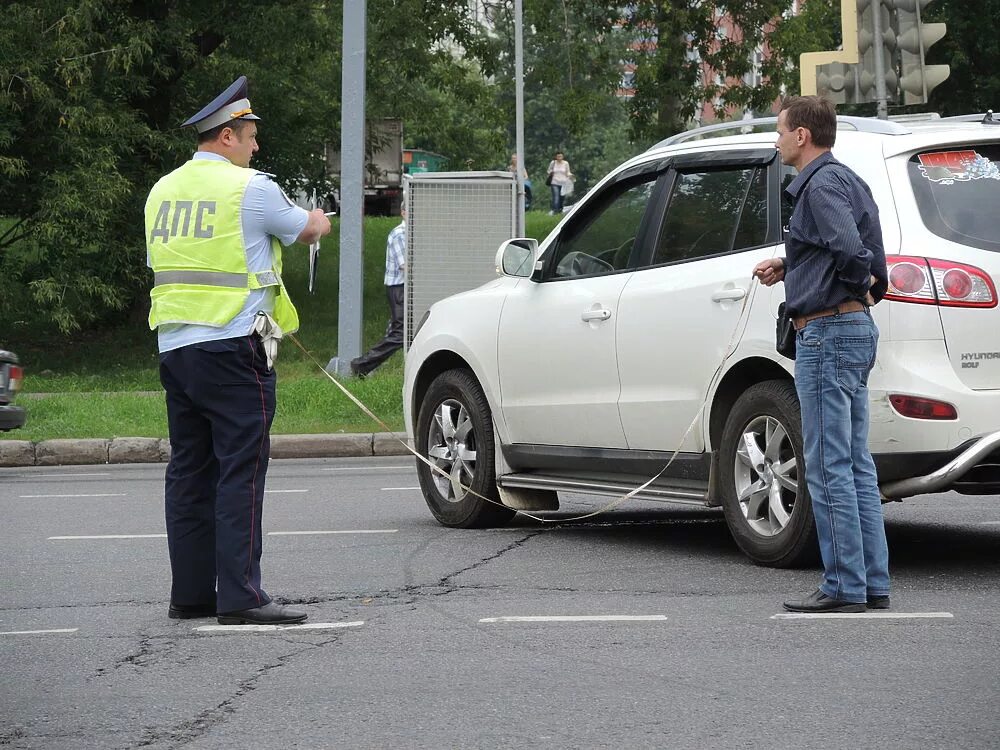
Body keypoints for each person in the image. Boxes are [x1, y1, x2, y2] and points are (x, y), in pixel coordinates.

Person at [145, 76, 331, 625]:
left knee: (189, 471)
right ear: (226, 136)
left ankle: (193, 594)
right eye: (249, 136)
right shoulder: (249, 189)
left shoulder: (162, 190)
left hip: (176, 347)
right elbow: (305, 228)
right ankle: (243, 596)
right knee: (241, 471)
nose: (255, 147)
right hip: (232, 347)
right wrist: (319, 221)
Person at [752, 95, 890, 614]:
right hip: (849, 328)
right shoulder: (848, 179)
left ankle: (842, 586)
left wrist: (854, 287)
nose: (777, 139)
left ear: (802, 136)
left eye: (781, 130)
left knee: (828, 465)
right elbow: (857, 251)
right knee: (855, 465)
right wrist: (790, 265)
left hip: (829, 333)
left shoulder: (821, 185)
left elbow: (853, 254)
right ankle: (871, 582)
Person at [350, 207, 406, 377]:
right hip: (399, 288)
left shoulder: (412, 233)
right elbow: (406, 266)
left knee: (399, 331)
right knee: (400, 333)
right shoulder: (399, 234)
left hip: (405, 288)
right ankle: (361, 365)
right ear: (403, 212)